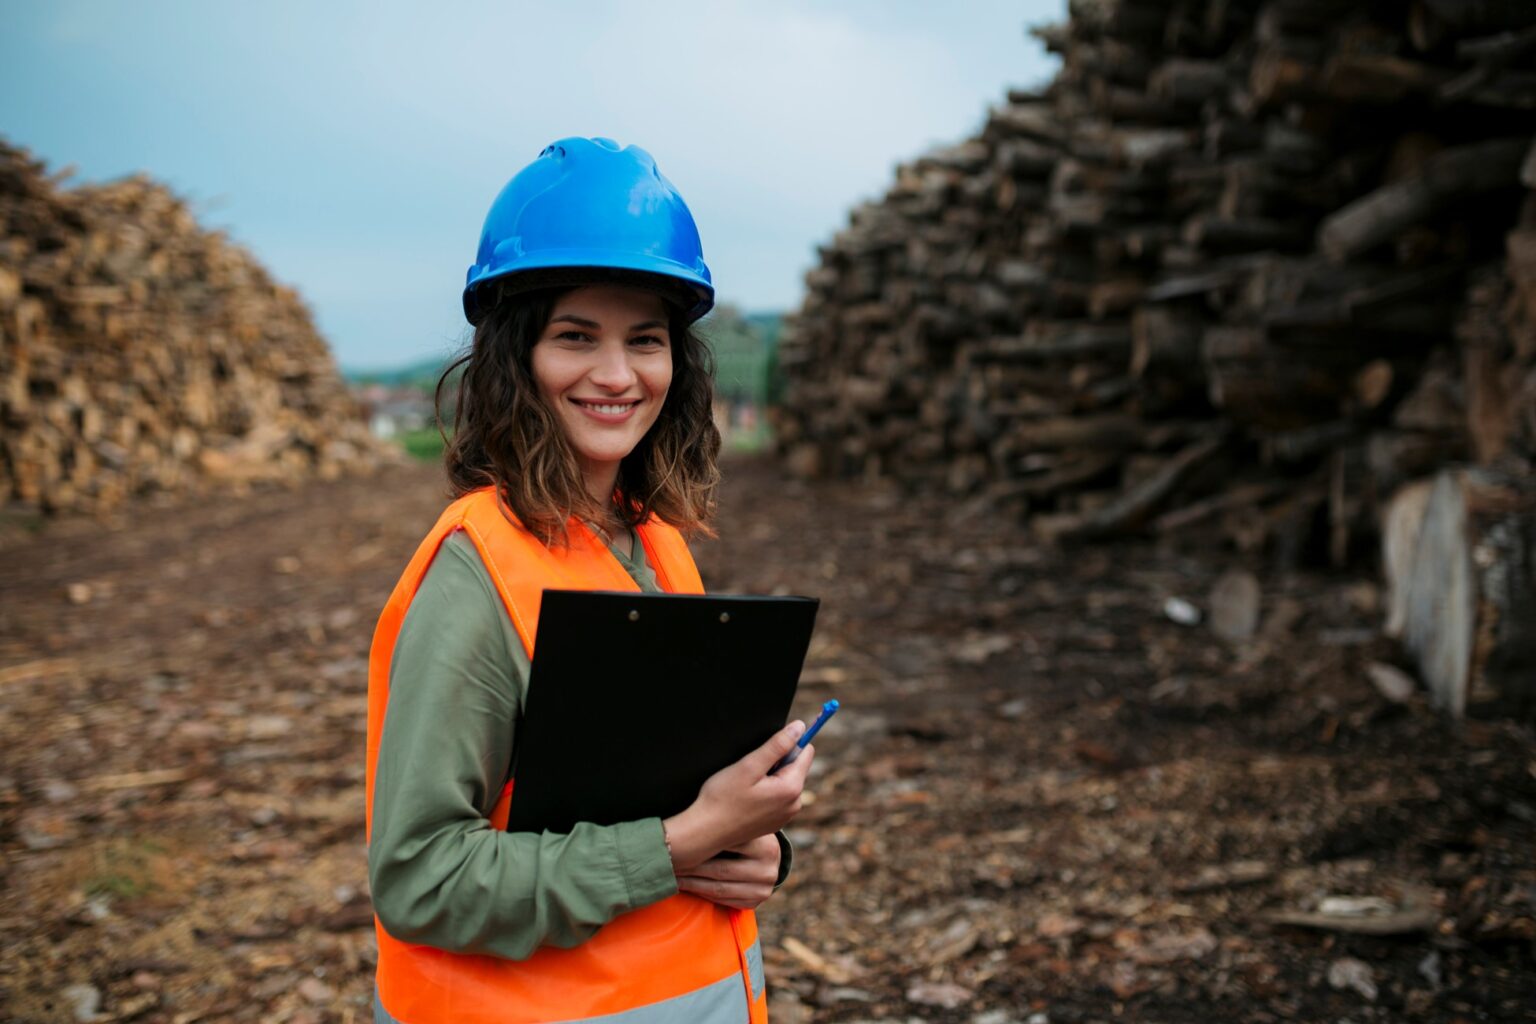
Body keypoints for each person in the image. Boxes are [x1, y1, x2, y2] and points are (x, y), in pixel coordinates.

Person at [365, 137, 815, 1024]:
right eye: (577, 338)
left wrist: (752, 847)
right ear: (514, 356)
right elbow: (418, 879)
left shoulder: (655, 542)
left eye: (644, 341)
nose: (617, 376)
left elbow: (643, 796)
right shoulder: (477, 572)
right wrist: (682, 844)